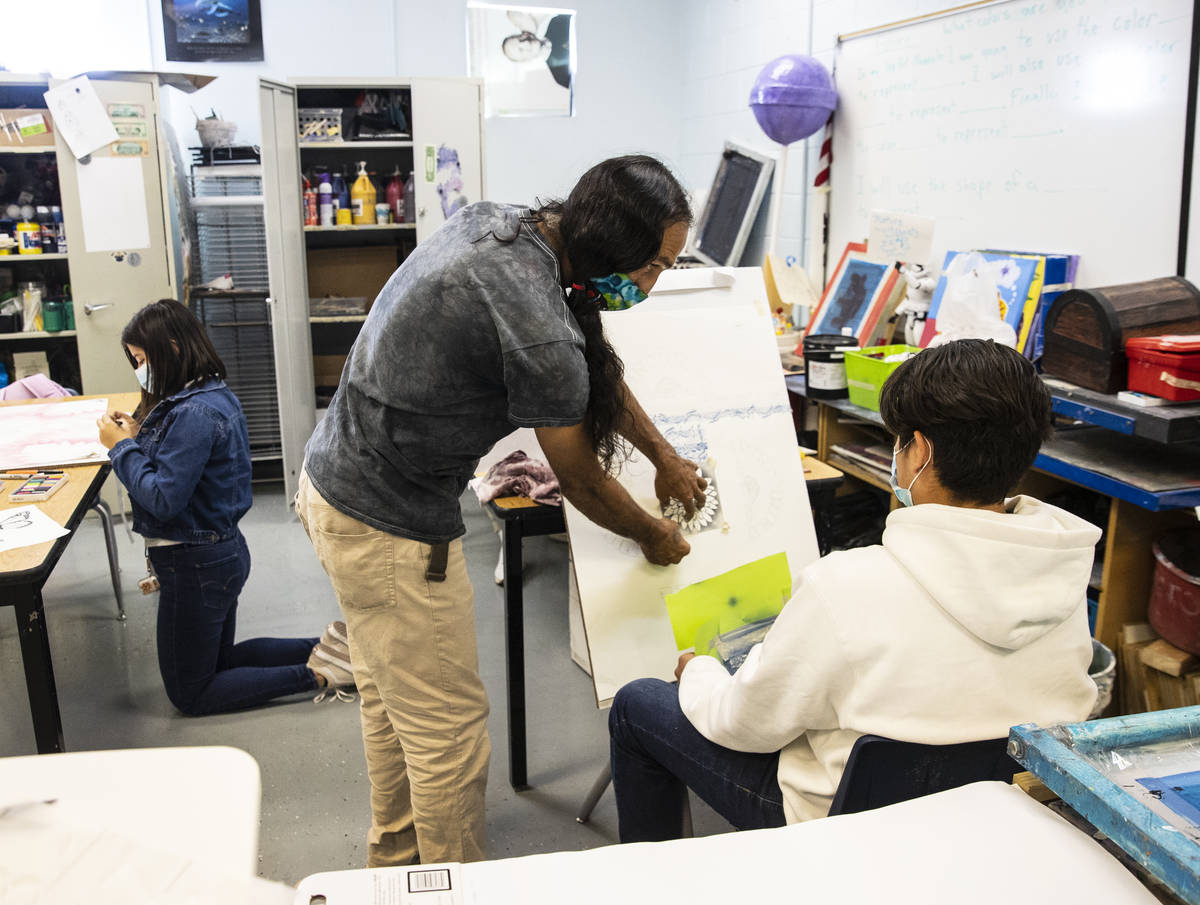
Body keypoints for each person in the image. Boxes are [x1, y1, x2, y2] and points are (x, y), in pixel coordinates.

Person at [296, 155, 706, 867]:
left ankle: (393, 873)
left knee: (396, 711)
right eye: (657, 266)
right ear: (612, 245)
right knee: (448, 735)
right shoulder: (537, 319)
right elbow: (576, 474)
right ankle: (453, 886)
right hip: (386, 524)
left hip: (337, 483)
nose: (655, 281)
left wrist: (665, 456)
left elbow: (590, 371)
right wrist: (650, 531)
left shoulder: (515, 229)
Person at [608, 339, 1102, 842]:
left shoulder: (843, 585)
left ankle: (655, 875)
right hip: (1000, 814)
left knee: (636, 704)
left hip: (849, 823)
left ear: (921, 452)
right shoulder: (1059, 570)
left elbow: (746, 725)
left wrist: (701, 675)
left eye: (900, 441)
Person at [96, 299, 354, 716]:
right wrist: (142, 434)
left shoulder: (193, 412)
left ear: (173, 349)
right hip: (216, 553)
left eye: (142, 359)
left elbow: (163, 497)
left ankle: (322, 674)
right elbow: (183, 465)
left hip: (195, 563)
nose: (139, 369)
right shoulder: (207, 395)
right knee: (219, 662)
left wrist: (122, 448)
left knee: (191, 692)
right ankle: (334, 648)